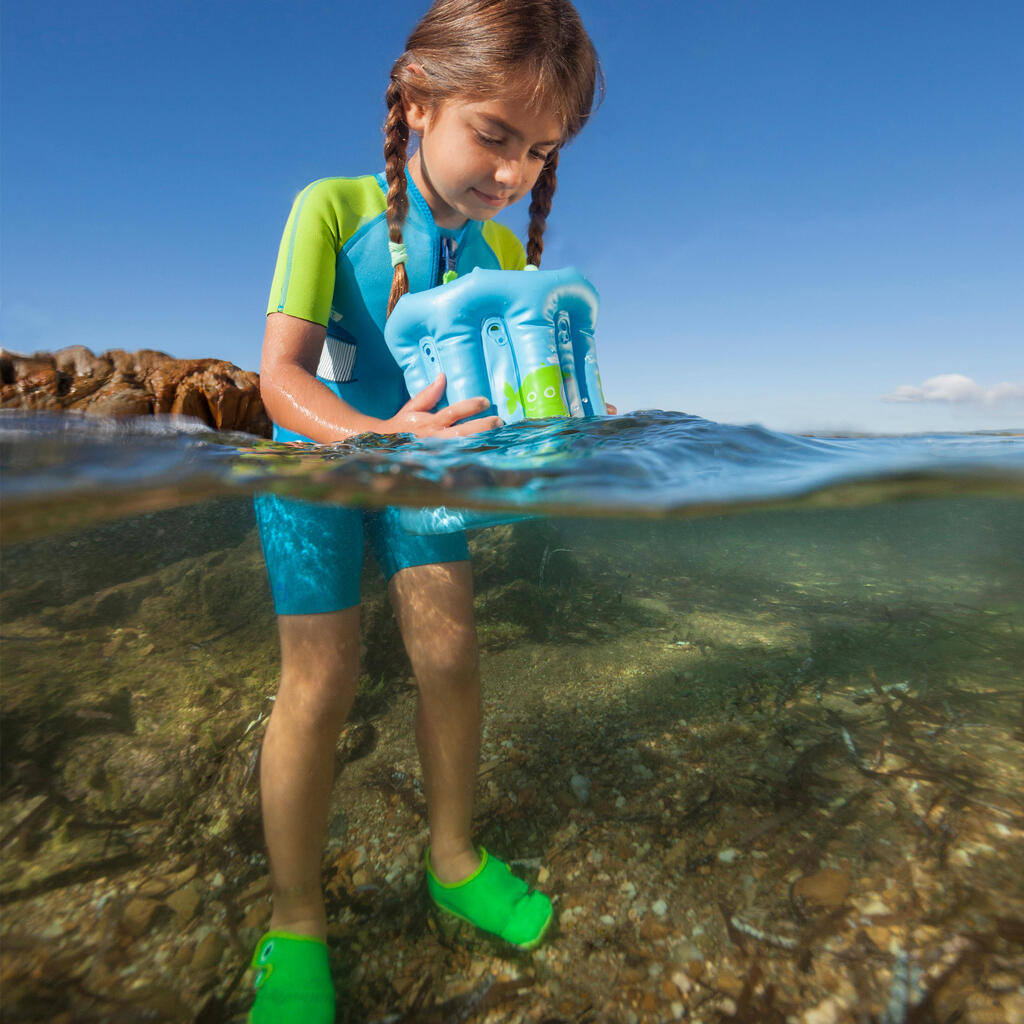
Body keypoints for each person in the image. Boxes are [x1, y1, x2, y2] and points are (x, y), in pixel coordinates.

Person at [249, 1, 603, 1019]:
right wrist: (371, 439)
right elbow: (278, 379)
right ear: (416, 101)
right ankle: (294, 919)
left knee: (449, 659)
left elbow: (511, 387)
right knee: (320, 681)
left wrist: (573, 424)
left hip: (427, 473)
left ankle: (452, 860)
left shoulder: (496, 248)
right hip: (312, 471)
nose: (511, 175)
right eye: (494, 136)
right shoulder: (330, 206)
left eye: (538, 152)